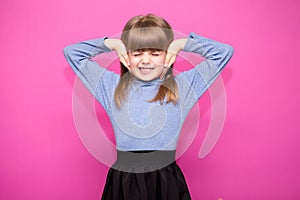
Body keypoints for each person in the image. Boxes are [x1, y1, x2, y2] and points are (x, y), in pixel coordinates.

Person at [63, 14, 234, 200]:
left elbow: (223, 52)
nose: (146, 60)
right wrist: (113, 44)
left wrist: (180, 44)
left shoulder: (183, 87)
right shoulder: (110, 86)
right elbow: (72, 53)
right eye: (137, 53)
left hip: (166, 182)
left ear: (167, 55)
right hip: (124, 183)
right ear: (126, 56)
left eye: (155, 53)